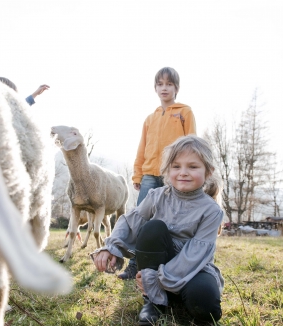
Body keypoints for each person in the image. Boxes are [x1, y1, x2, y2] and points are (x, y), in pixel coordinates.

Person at [92, 135, 224, 325]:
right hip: (158, 261)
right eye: (176, 166)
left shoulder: (211, 210)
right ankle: (154, 301)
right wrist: (110, 247)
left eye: (193, 167)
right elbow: (130, 221)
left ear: (208, 171)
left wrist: (156, 278)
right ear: (167, 170)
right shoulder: (157, 196)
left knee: (206, 305)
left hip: (194, 268)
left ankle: (173, 296)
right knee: (153, 228)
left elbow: (195, 253)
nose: (183, 172)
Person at [118, 66, 197, 280]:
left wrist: (186, 173)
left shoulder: (184, 112)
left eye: (169, 84)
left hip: (172, 176)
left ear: (176, 88)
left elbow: (192, 145)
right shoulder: (149, 119)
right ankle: (134, 264)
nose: (164, 88)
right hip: (149, 176)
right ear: (155, 88)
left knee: (169, 220)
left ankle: (167, 265)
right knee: (140, 219)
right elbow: (142, 148)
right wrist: (138, 175)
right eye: (160, 84)